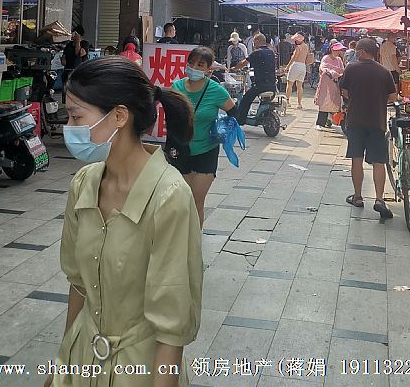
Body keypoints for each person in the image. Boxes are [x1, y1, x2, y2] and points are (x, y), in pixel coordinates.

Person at [54, 57, 201, 387]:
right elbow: (78, 285)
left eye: (76, 116)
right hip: (82, 359)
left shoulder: (169, 196)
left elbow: (171, 324)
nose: (69, 127)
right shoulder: (83, 184)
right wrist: (61, 365)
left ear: (119, 116)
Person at [171, 47, 237, 226]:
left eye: (200, 64)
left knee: (196, 202)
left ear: (208, 69)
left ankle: (194, 239)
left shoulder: (216, 90)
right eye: (191, 63)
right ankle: (179, 237)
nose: (194, 67)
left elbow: (234, 114)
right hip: (180, 150)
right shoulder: (176, 87)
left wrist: (221, 130)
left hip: (206, 151)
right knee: (181, 202)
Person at [340, 38, 397, 218]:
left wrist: (357, 96)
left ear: (363, 52)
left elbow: (344, 92)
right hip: (377, 121)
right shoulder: (384, 71)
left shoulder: (351, 69)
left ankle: (357, 197)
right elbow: (393, 97)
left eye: (358, 50)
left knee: (356, 159)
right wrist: (379, 98)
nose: (356, 53)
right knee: (379, 161)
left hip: (355, 120)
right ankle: (379, 199)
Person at [232, 33, 278, 123]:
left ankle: (240, 120)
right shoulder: (271, 52)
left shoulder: (257, 52)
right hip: (272, 85)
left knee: (245, 100)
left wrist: (234, 68)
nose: (253, 44)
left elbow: (244, 63)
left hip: (260, 86)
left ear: (257, 41)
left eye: (253, 42)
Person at [315, 42, 346, 128]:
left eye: (339, 50)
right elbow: (323, 68)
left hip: (335, 84)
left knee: (335, 103)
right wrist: (333, 72)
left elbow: (342, 70)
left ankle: (330, 120)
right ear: (332, 49)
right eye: (337, 50)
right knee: (324, 102)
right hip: (326, 84)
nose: (338, 52)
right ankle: (320, 123)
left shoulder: (339, 59)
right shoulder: (326, 58)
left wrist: (335, 71)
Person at [285, 33, 309, 109]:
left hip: (295, 65)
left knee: (289, 84)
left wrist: (287, 67)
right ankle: (299, 104)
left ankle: (287, 101)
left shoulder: (298, 48)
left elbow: (294, 58)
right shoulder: (306, 46)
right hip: (303, 66)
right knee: (299, 86)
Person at [61, 25, 89, 90]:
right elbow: (64, 55)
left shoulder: (85, 43)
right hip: (68, 70)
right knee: (66, 89)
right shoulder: (69, 44)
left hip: (78, 71)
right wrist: (63, 59)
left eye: (75, 34)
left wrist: (78, 41)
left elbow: (78, 53)